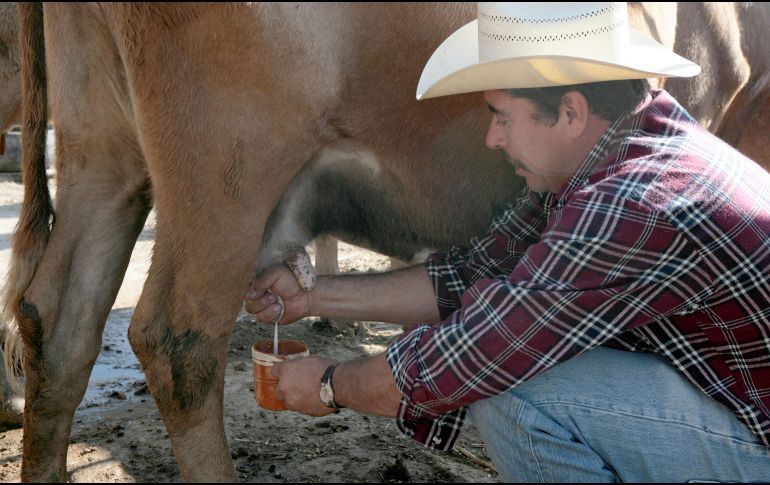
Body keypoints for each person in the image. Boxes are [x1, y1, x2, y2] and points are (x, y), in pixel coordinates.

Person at [244, 3, 770, 482]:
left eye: (502, 117)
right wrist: (312, 296)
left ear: (570, 113)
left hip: (758, 444)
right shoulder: (620, 154)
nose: (492, 138)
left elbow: (476, 354)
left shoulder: (634, 203)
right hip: (730, 404)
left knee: (511, 389)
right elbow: (471, 274)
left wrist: (330, 385)